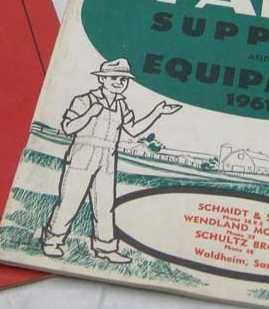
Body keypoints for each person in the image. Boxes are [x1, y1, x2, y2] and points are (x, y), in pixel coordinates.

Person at [42, 58, 181, 263]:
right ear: (102, 79)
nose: (119, 82)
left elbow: (133, 130)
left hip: (108, 157)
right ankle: (53, 241)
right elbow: (68, 128)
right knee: (70, 200)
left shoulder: (121, 104)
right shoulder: (84, 100)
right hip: (83, 154)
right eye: (114, 78)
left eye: (123, 79)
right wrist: (90, 113)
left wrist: (157, 112)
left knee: (105, 205)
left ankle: (105, 248)